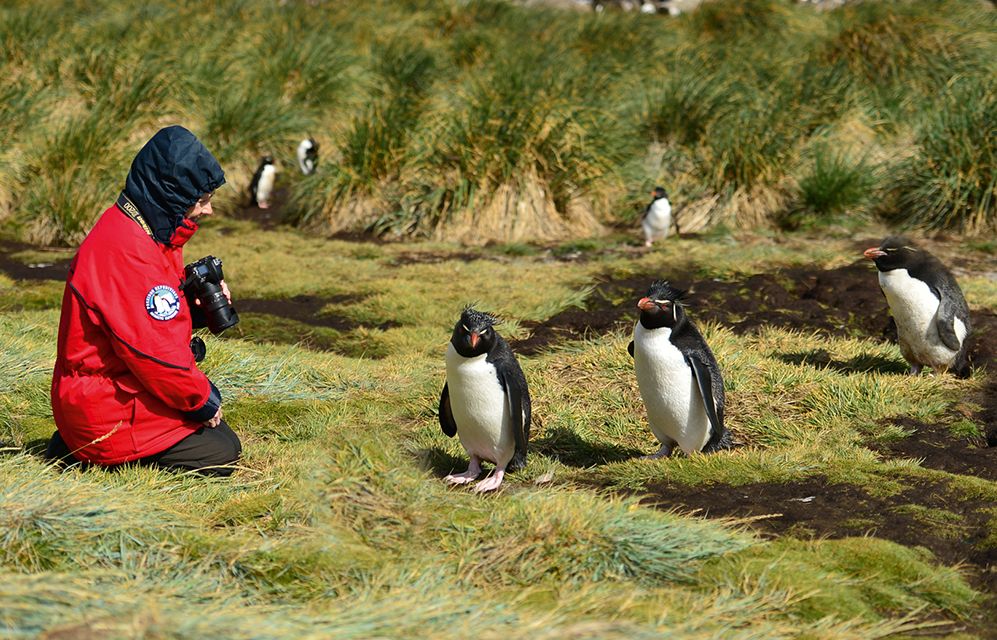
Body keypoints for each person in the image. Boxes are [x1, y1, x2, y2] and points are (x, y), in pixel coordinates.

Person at [46, 125, 241, 476]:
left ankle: (79, 444)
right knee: (221, 450)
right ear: (173, 196)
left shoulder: (136, 229)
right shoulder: (130, 252)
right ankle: (89, 452)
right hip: (103, 405)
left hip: (100, 393)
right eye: (202, 200)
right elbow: (156, 355)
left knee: (215, 432)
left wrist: (193, 311)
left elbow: (140, 320)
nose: (209, 210)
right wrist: (202, 400)